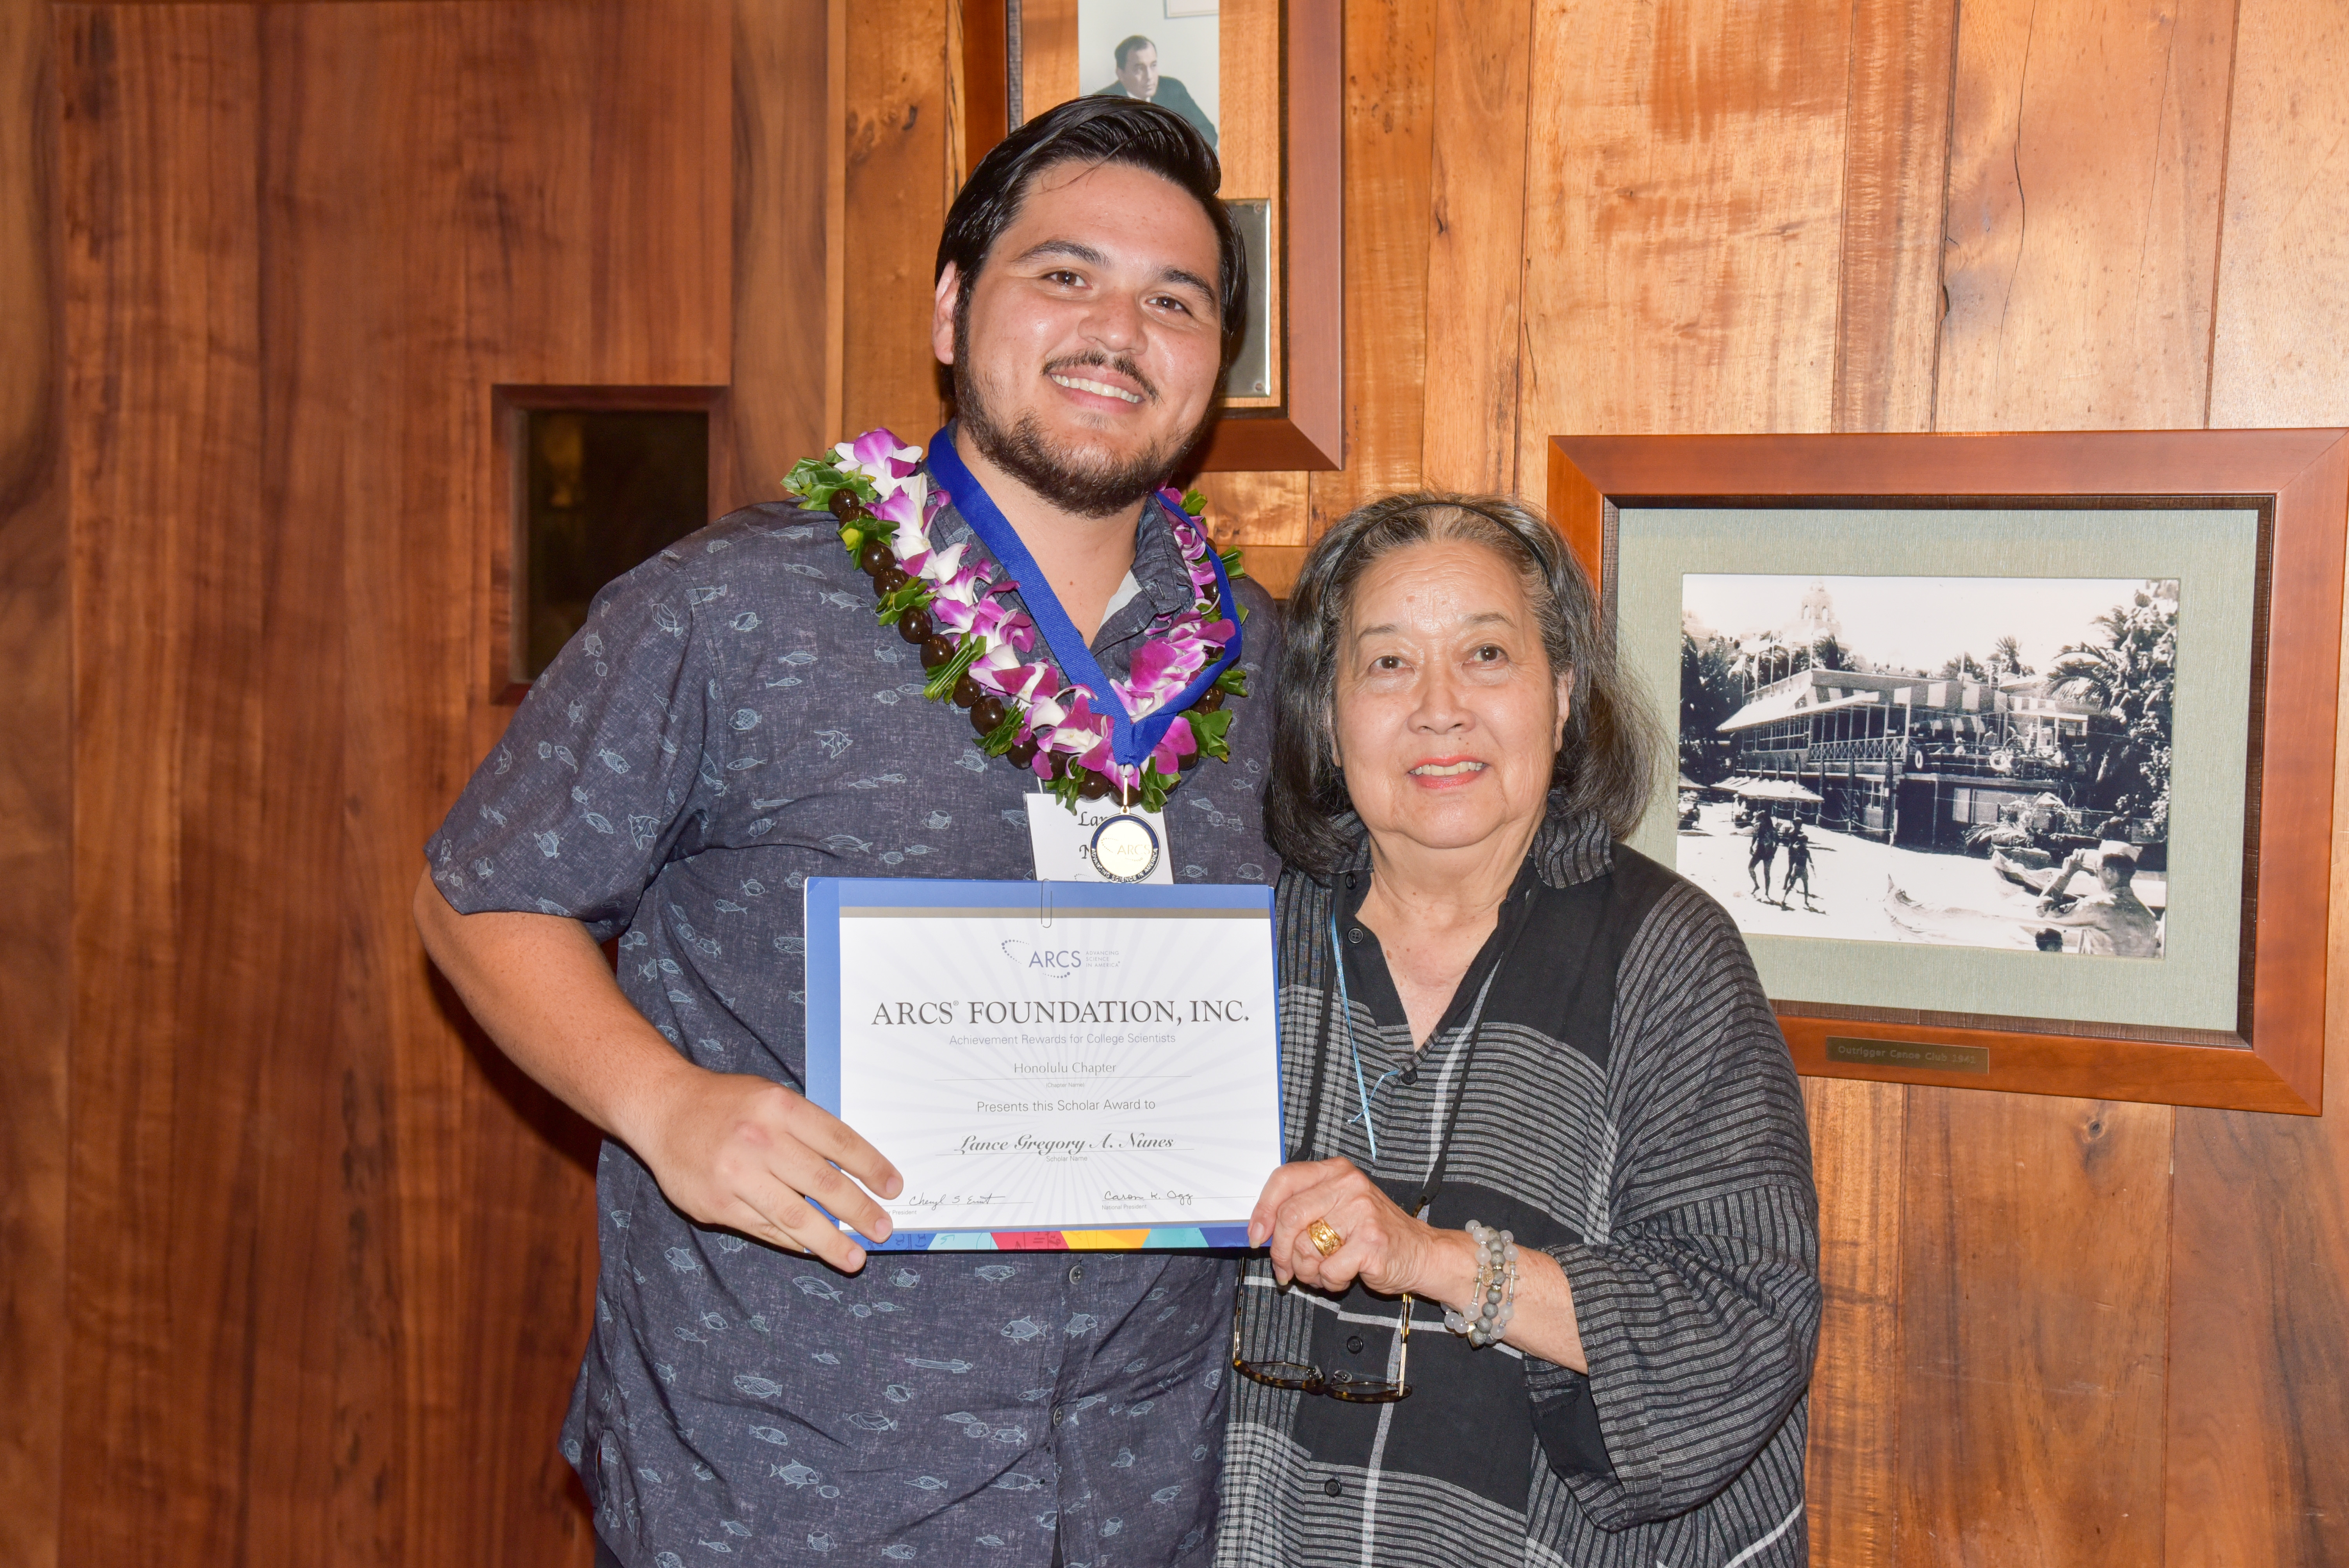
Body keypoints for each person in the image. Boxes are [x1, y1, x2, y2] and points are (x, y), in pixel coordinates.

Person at [414, 98, 1279, 1566]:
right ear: (950, 309)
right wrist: (663, 1104)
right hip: (785, 1481)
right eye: (1062, 275)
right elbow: (477, 894)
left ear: (1209, 363)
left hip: (1145, 1489)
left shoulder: (1258, 663)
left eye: (1172, 299)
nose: (1116, 329)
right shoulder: (729, 608)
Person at [1218, 495, 1819, 1566]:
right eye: (1389, 664)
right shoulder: (1243, 943)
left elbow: (1740, 1333)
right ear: (1326, 711)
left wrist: (1439, 1261)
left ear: (1561, 695)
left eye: (1487, 655)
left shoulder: (1668, 957)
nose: (1439, 709)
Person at [2027, 841, 2162, 957]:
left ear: (2110, 873)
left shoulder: (2098, 907)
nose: (2096, 877)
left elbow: (2044, 910)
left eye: (2097, 871)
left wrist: (2066, 874)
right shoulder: (2148, 916)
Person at [1094, 35, 1218, 150]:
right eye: (1139, 69)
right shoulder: (1102, 102)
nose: (1150, 77)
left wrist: (1176, 146)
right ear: (1121, 74)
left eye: (1153, 66)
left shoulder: (1173, 89)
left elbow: (1208, 133)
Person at [1746, 803, 1780, 898]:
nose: (1760, 821)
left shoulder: (1772, 830)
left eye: (1761, 819)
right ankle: (1757, 885)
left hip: (1768, 852)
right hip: (1760, 850)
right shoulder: (1758, 827)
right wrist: (1751, 846)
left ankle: (1767, 892)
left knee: (1767, 873)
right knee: (1751, 868)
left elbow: (1777, 842)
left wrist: (1774, 852)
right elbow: (1755, 836)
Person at [1782, 819, 1816, 910]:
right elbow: (1793, 843)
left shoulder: (1799, 834)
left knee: (1792, 870)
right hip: (1793, 852)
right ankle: (1785, 885)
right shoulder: (1792, 833)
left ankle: (1788, 886)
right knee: (1790, 869)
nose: (1799, 826)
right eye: (1798, 825)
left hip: (1797, 851)